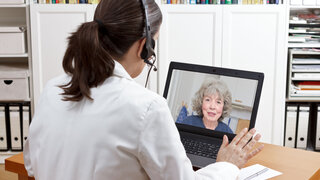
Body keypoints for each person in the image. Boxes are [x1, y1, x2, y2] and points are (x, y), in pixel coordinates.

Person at [23, 0, 264, 179]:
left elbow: (31, 166)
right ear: (144, 46)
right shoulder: (147, 107)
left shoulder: (53, 88)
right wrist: (228, 164)